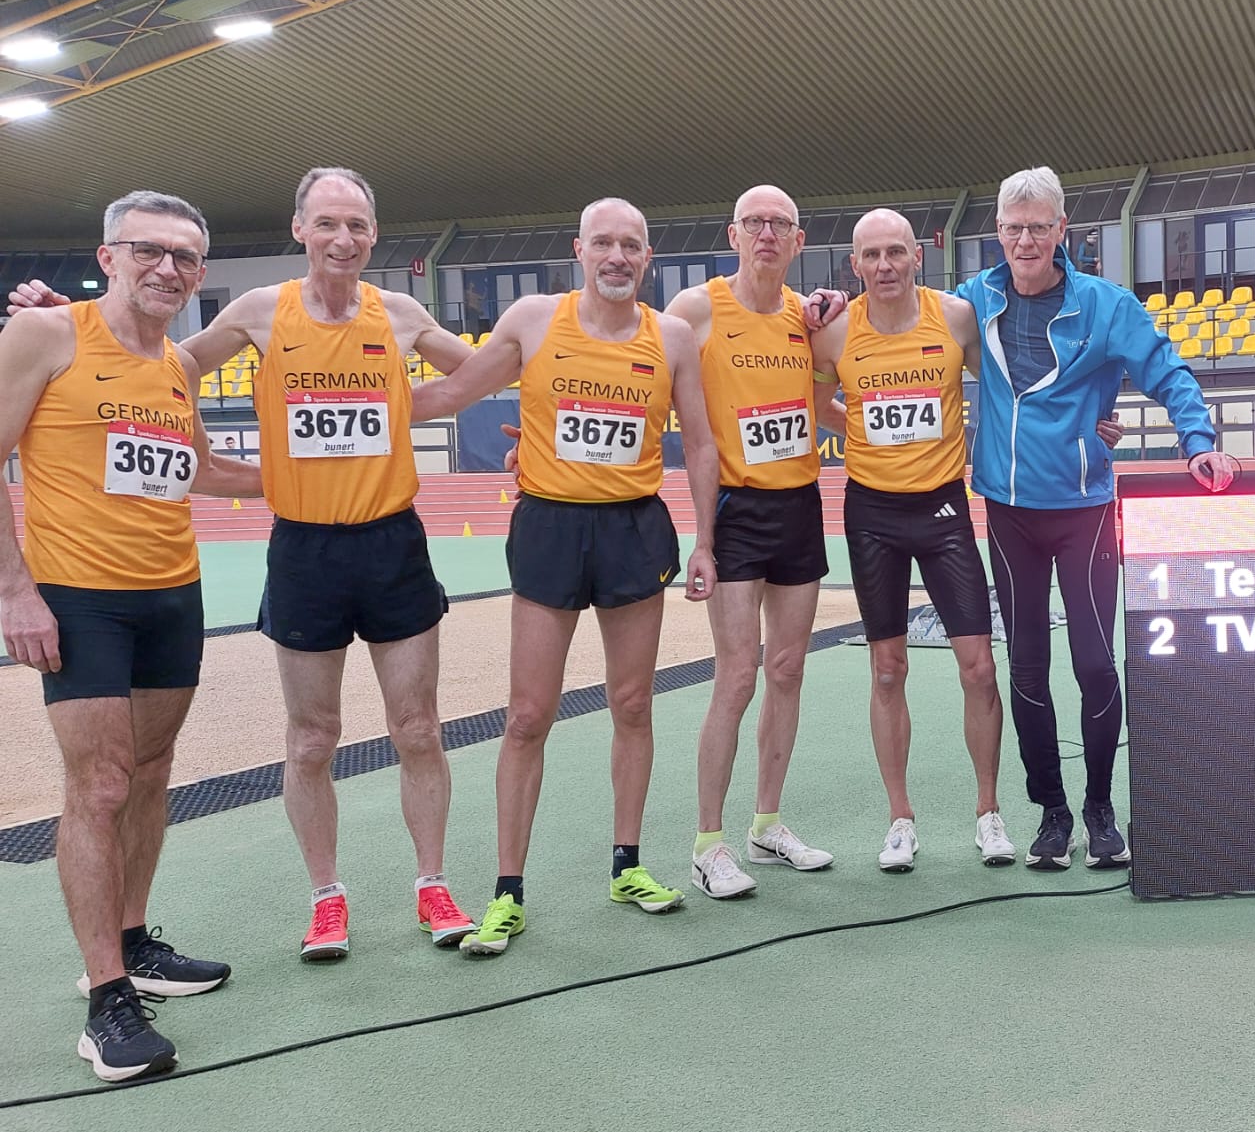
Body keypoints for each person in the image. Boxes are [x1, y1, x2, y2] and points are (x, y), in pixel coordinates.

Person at [11, 168, 484, 961]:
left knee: (418, 728)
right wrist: (80, 322)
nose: (343, 238)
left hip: (391, 543)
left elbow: (474, 373)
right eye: (327, 223)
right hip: (299, 550)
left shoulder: (400, 313)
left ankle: (432, 883)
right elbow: (158, 360)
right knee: (310, 739)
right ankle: (325, 896)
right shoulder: (257, 311)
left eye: (358, 226)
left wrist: (407, 409)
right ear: (299, 229)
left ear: (373, 234)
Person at [407, 198, 720, 955]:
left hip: (633, 527)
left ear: (647, 258)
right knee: (526, 714)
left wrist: (706, 541)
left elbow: (703, 447)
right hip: (549, 527)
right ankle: (508, 890)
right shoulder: (534, 319)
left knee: (633, 701)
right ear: (579, 250)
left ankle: (628, 864)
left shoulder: (671, 337)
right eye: (604, 243)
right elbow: (452, 393)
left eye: (631, 246)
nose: (617, 256)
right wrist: (359, 395)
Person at [0, 191, 262, 1081]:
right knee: (100, 784)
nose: (169, 268)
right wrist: (15, 591)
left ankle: (133, 939)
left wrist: (320, 475)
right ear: (107, 256)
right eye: (149, 250)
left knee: (151, 774)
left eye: (187, 257)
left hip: (170, 594)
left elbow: (201, 468)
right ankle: (106, 1000)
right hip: (79, 597)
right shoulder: (48, 334)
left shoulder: (178, 366)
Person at [952, 167, 1236, 871]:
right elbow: (893, 327)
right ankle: (1051, 812)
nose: (1025, 240)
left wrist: (1197, 443)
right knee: (1026, 666)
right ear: (998, 232)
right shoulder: (969, 302)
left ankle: (1102, 808)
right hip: (1009, 512)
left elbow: (1168, 371)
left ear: (1062, 232)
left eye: (1038, 227)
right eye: (1014, 228)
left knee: (1093, 664)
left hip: (1082, 512)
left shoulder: (1107, 306)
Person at [809, 209, 1012, 871]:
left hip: (944, 507)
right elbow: (816, 400)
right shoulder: (836, 331)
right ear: (855, 265)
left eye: (896, 251)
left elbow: (1008, 391)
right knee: (887, 666)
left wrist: (1089, 419)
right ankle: (901, 818)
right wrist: (857, 421)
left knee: (978, 666)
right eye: (872, 255)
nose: (885, 264)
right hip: (872, 512)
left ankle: (988, 812)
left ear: (918, 256)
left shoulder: (954, 318)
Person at [664, 186, 838, 900]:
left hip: (799, 503)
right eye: (755, 222)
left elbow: (831, 400)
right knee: (736, 675)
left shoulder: (809, 320)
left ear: (799, 242)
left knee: (788, 669)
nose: (767, 233)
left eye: (781, 225)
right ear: (732, 233)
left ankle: (767, 821)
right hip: (735, 511)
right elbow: (646, 387)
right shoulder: (695, 311)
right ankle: (708, 842)